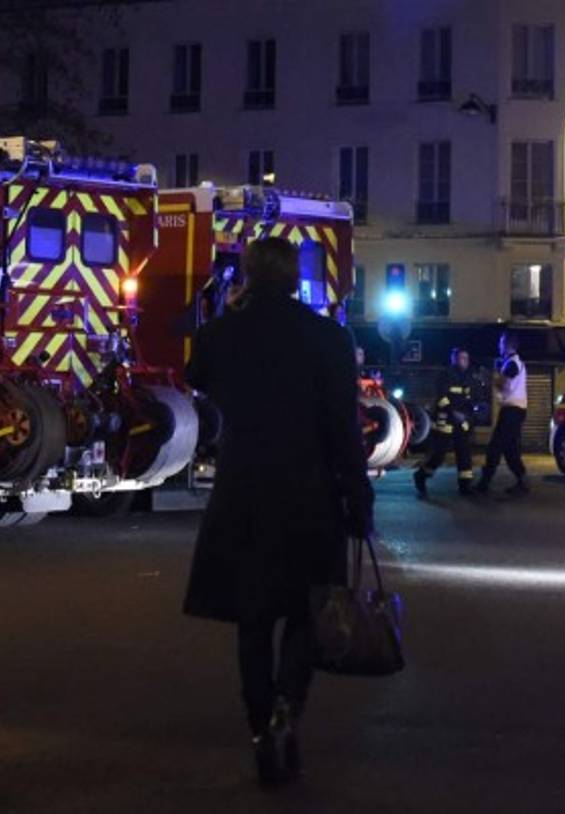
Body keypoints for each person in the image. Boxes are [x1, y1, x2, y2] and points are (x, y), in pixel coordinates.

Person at [182, 237, 374, 787]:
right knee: (305, 611)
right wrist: (357, 495)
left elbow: (197, 374)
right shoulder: (328, 339)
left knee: (252, 617)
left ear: (247, 276)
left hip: (243, 493)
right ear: (294, 278)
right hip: (310, 494)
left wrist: (231, 308)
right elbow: (343, 429)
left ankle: (259, 722)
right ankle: (289, 705)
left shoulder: (225, 334)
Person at [413, 346, 477, 497]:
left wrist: (468, 416)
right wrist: (453, 413)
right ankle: (421, 475)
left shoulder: (468, 378)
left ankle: (465, 486)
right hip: (445, 421)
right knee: (438, 455)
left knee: (464, 454)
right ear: (453, 359)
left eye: (466, 358)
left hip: (461, 421)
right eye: (462, 358)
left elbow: (469, 400)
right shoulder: (445, 375)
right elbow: (442, 398)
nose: (465, 361)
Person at [477, 332, 529, 495]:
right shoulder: (513, 362)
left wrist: (490, 375)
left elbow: (502, 382)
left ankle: (484, 483)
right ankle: (522, 481)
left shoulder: (512, 363)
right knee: (510, 448)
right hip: (515, 410)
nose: (499, 346)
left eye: (501, 343)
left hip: (512, 411)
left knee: (495, 446)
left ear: (507, 345)